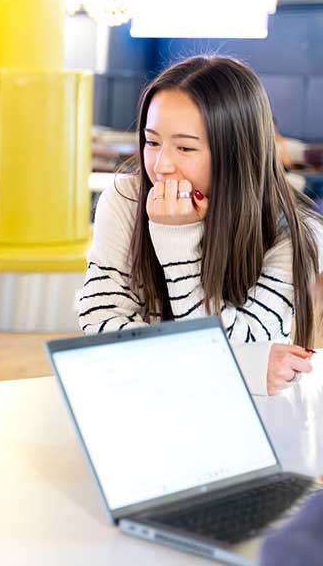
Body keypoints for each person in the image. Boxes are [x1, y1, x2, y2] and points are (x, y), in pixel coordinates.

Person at [78, 56, 323, 396]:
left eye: (185, 147)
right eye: (152, 142)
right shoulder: (125, 200)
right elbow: (101, 328)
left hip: (251, 417)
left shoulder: (299, 232)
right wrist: (247, 368)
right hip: (139, 401)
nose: (161, 165)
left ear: (237, 151)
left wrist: (178, 240)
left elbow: (250, 339)